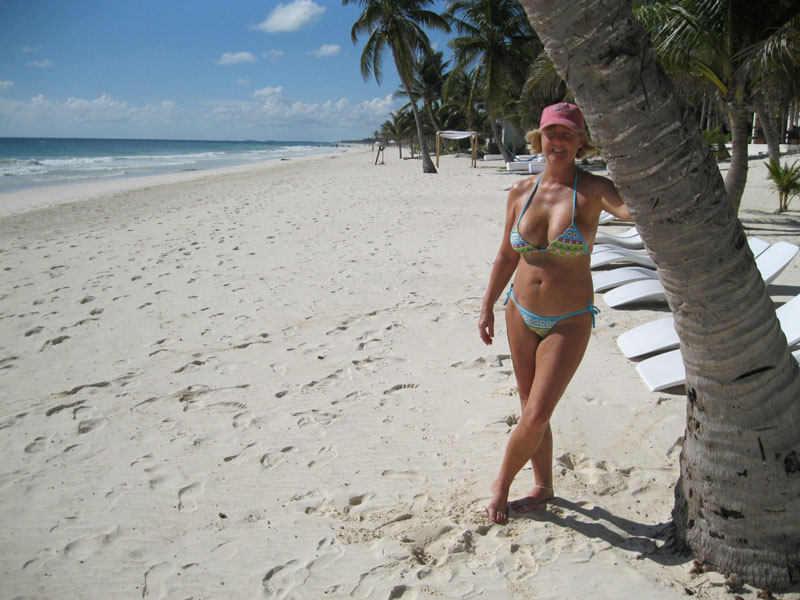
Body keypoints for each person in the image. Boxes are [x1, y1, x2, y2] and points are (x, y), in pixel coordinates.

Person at [478, 102, 631, 524]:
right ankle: (543, 486)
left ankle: (501, 486)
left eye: (567, 133)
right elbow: (507, 254)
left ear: (581, 140)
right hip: (519, 312)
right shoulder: (520, 191)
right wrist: (487, 305)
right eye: (551, 133)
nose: (557, 141)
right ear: (539, 138)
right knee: (530, 407)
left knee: (537, 413)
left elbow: (633, 211)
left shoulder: (594, 190)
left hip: (569, 319)